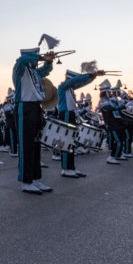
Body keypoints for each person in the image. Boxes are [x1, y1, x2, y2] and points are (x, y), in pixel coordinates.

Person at [12, 44, 55, 194]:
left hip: (36, 107)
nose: (37, 61)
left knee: (36, 145)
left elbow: (46, 70)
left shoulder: (34, 72)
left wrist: (49, 61)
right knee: (26, 145)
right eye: (36, 56)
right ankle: (25, 181)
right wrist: (42, 57)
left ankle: (36, 179)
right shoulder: (20, 68)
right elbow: (21, 60)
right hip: (24, 107)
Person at [55, 65, 103, 178]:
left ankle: (71, 167)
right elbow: (77, 80)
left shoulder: (70, 88)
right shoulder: (63, 86)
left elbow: (82, 82)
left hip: (69, 114)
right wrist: (92, 74)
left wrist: (93, 77)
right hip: (66, 113)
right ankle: (66, 168)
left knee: (71, 142)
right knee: (66, 142)